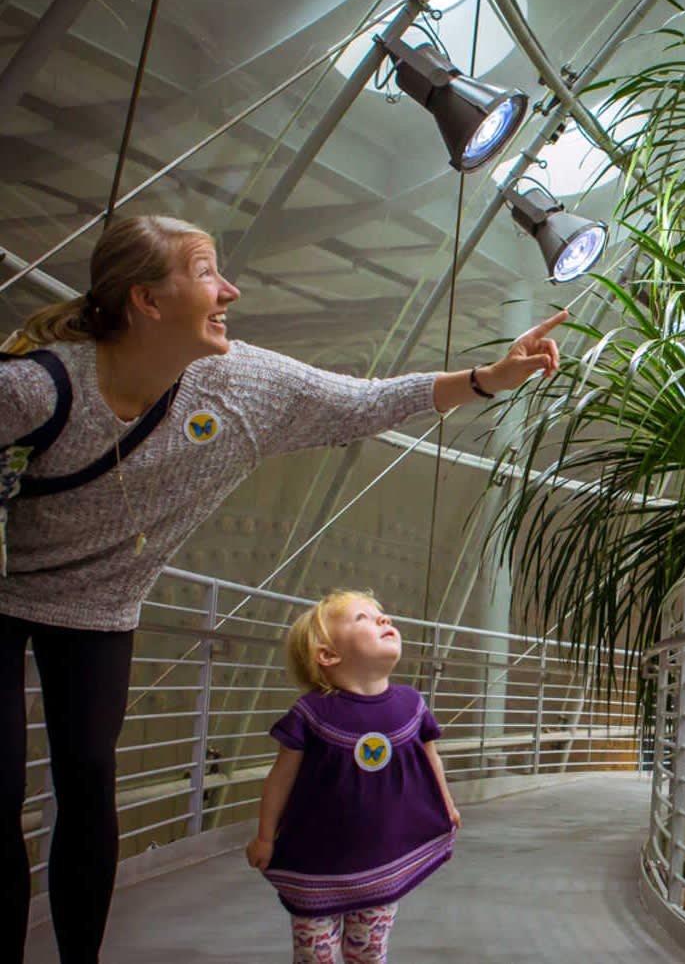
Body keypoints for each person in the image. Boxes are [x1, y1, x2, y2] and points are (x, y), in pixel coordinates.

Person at [0, 214, 566, 963]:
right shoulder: (34, 389)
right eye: (205, 272)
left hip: (102, 611)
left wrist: (483, 381)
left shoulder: (241, 384)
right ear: (147, 300)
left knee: (86, 784)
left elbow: (359, 402)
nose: (230, 289)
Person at [245, 589, 457, 963]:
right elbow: (281, 778)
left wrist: (446, 805)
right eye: (364, 618)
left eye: (383, 615)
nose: (384, 620)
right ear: (328, 654)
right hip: (316, 867)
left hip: (380, 865)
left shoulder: (411, 705)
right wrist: (265, 836)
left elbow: (430, 760)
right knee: (315, 957)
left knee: (370, 954)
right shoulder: (311, 713)